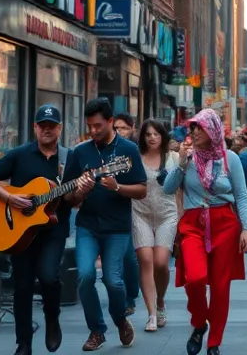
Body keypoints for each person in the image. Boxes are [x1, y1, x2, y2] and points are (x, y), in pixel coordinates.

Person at [0, 104, 73, 355]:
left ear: (60, 129)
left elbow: (75, 199)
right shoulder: (19, 154)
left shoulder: (68, 158)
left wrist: (81, 190)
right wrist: (9, 198)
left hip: (53, 230)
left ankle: (52, 317)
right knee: (22, 286)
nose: (46, 130)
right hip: (20, 232)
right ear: (34, 127)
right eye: (42, 125)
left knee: (49, 277)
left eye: (51, 126)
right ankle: (24, 343)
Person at [163, 108, 247, 355]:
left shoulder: (229, 159)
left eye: (199, 127)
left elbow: (242, 196)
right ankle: (199, 323)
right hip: (193, 224)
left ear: (212, 130)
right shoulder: (187, 158)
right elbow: (168, 189)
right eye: (192, 128)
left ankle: (214, 342)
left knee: (221, 287)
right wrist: (181, 164)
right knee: (195, 278)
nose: (193, 132)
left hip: (224, 223)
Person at [63, 98, 147, 352]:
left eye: (98, 125)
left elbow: (142, 190)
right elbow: (67, 197)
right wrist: (80, 193)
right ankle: (96, 331)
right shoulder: (80, 152)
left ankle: (120, 319)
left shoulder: (129, 150)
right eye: (89, 126)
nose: (93, 131)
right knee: (85, 275)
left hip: (117, 228)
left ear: (110, 122)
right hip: (87, 225)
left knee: (113, 281)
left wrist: (117, 186)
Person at [132, 119, 179, 332]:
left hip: (167, 214)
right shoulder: (135, 158)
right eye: (148, 134)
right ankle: (151, 314)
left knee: (161, 262)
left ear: (163, 136)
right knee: (145, 260)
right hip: (139, 213)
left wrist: (184, 217)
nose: (152, 137)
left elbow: (181, 190)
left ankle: (160, 300)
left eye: (156, 134)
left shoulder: (174, 158)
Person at [112, 113, 141, 316]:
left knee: (130, 258)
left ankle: (131, 294)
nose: (119, 132)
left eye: (122, 128)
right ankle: (123, 296)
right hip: (116, 210)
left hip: (138, 208)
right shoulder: (110, 149)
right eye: (116, 128)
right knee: (122, 255)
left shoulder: (135, 150)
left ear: (132, 128)